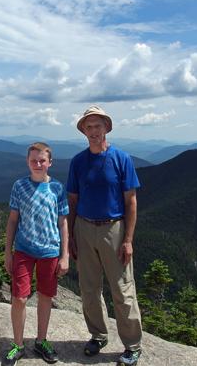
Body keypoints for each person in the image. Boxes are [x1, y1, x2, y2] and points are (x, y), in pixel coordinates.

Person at [66, 105, 143, 366]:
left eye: (98, 125)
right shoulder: (78, 162)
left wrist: (129, 239)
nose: (94, 131)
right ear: (83, 131)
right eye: (89, 127)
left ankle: (132, 345)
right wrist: (72, 236)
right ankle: (98, 335)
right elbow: (73, 200)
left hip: (114, 228)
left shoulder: (122, 159)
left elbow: (131, 202)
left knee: (122, 290)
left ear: (106, 128)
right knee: (89, 289)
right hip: (84, 228)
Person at [2, 142, 69, 365]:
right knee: (19, 297)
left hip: (50, 250)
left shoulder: (58, 189)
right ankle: (18, 345)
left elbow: (63, 223)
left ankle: (41, 341)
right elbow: (12, 220)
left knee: (45, 296)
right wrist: (8, 252)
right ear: (27, 162)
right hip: (23, 250)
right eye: (33, 160)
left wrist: (65, 255)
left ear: (50, 162)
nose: (38, 164)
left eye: (42, 160)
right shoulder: (19, 186)